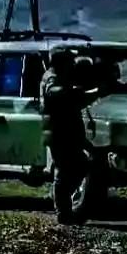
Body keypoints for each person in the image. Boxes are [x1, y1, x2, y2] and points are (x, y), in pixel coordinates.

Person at [41, 50, 100, 224]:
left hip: (69, 131)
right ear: (61, 63)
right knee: (64, 170)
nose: (72, 65)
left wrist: (91, 93)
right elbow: (55, 93)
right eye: (69, 62)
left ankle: (64, 205)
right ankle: (63, 212)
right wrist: (76, 92)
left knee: (80, 166)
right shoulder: (52, 78)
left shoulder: (62, 78)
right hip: (59, 132)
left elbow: (75, 101)